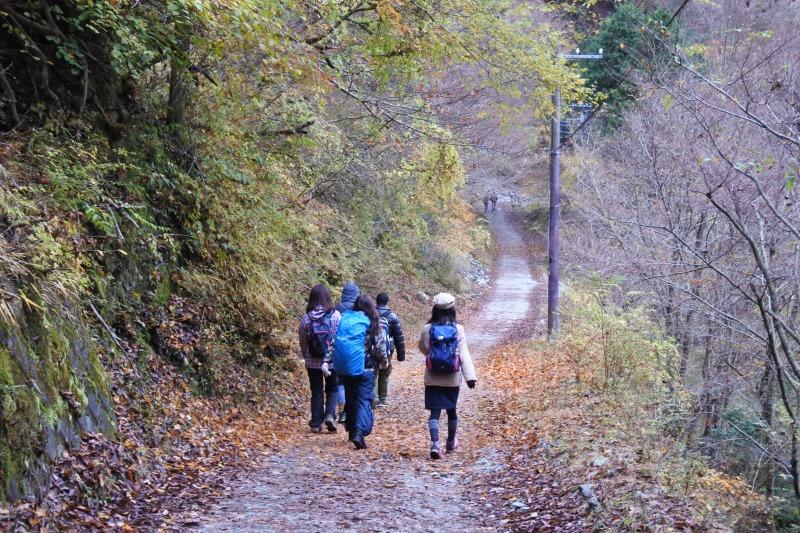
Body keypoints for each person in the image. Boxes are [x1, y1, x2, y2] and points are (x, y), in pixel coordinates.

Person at [418, 293, 476, 459]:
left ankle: (435, 444)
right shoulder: (458, 329)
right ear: (452, 310)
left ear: (434, 309)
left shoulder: (427, 329)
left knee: (434, 412)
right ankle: (450, 442)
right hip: (452, 377)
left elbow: (423, 348)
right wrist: (470, 377)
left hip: (433, 377)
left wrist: (434, 356)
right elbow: (464, 353)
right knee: (452, 411)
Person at [331, 294, 388, 450]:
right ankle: (358, 432)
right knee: (363, 400)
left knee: (351, 399)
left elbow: (334, 341)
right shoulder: (373, 323)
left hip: (347, 368)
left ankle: (351, 431)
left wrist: (328, 361)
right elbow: (380, 347)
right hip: (366, 369)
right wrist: (384, 362)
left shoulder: (346, 320)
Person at [298, 284, 341, 433]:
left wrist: (306, 355)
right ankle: (329, 415)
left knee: (316, 391)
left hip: (312, 360)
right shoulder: (336, 315)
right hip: (332, 360)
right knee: (332, 389)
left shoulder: (307, 318)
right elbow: (339, 339)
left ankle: (316, 423)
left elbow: (302, 340)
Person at [334, 282, 361, 423]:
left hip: (339, 348)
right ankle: (351, 411)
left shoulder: (337, 308)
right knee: (353, 381)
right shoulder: (359, 309)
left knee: (339, 382)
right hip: (356, 349)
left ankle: (341, 411)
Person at [374, 292, 406, 407]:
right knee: (384, 374)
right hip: (388, 349)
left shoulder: (370, 314)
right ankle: (382, 400)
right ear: (387, 302)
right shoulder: (392, 316)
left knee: (373, 373)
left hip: (372, 348)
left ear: (376, 301)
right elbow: (399, 337)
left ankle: (373, 398)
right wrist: (401, 355)